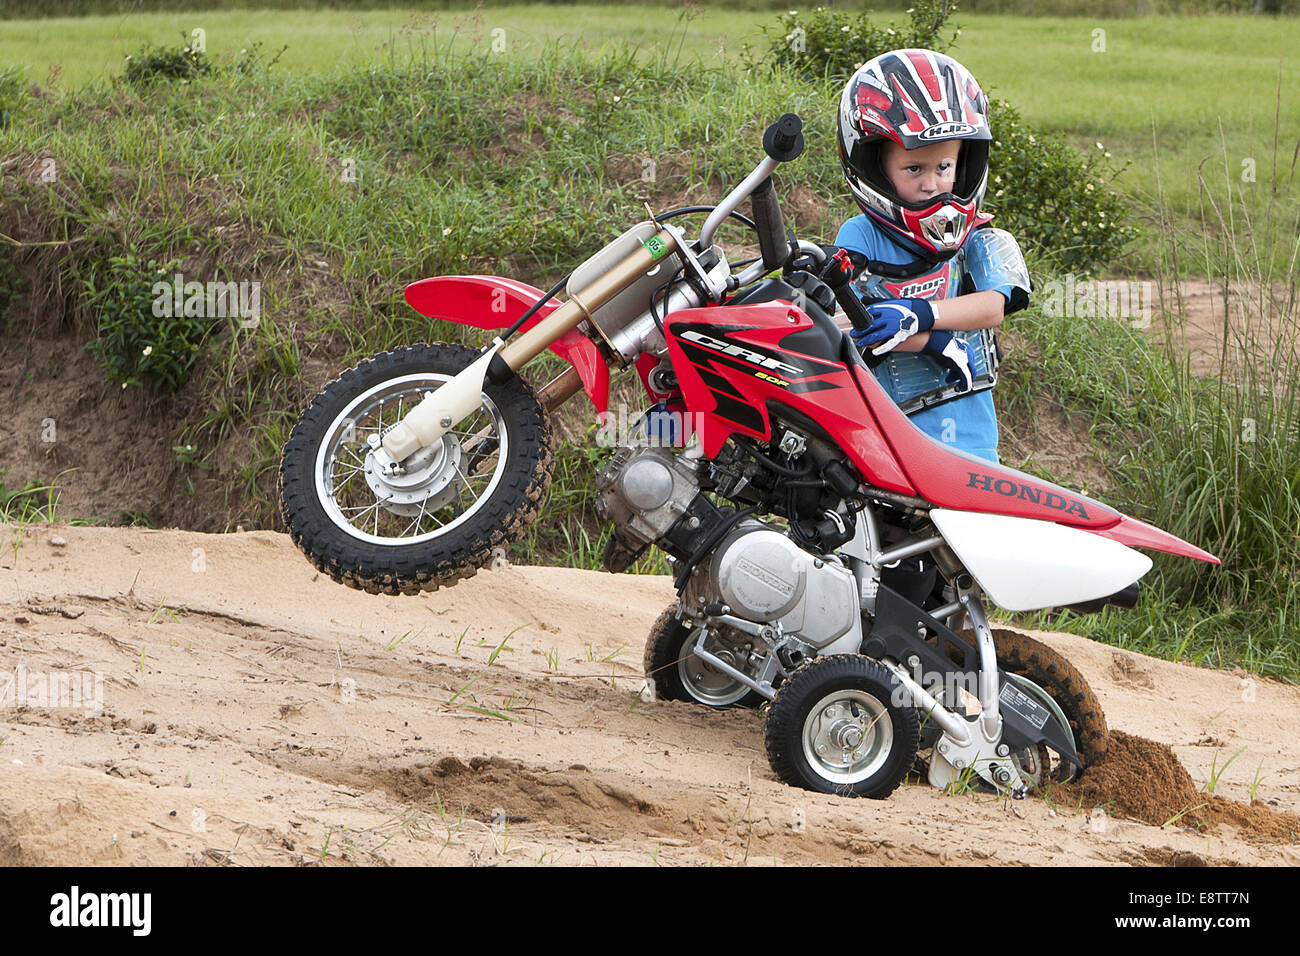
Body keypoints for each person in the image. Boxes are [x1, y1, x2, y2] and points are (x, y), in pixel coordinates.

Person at [833, 48, 1031, 465]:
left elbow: (993, 306)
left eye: (944, 166)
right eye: (913, 169)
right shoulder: (860, 235)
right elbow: (843, 323)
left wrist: (917, 317)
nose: (932, 184)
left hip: (971, 446)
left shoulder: (980, 234)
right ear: (874, 169)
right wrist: (937, 342)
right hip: (883, 442)